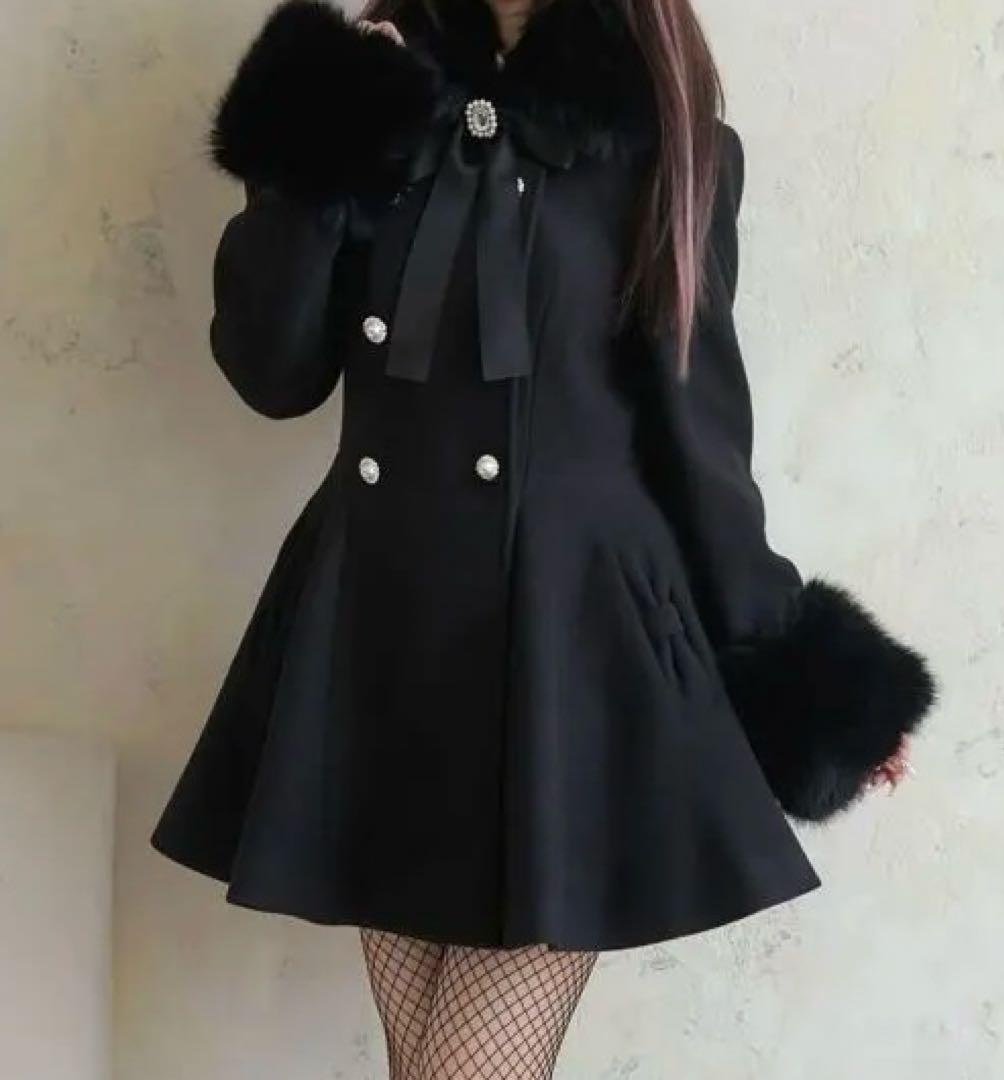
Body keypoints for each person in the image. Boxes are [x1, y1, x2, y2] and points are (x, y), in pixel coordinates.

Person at [151, 0, 939, 1074]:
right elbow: (271, 372)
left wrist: (807, 680)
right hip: (382, 629)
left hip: (572, 653)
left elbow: (699, 441)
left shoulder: (669, 143)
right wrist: (324, 125)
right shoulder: (377, 96)